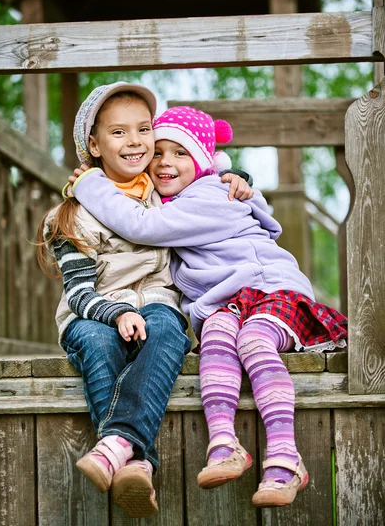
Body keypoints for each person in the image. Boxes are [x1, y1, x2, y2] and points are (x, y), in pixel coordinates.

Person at [68, 105, 348, 509]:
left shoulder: (209, 195)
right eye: (158, 152)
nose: (166, 162)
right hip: (230, 304)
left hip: (271, 292)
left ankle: (286, 458)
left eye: (181, 153)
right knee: (214, 336)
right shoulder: (177, 201)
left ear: (203, 162)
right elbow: (145, 209)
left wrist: (90, 184)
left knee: (252, 341)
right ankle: (224, 445)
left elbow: (142, 226)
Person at [37, 83, 253, 518]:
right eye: (118, 133)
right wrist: (116, 313)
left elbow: (202, 176)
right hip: (94, 310)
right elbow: (78, 293)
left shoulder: (161, 189)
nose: (135, 141)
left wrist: (238, 178)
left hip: (155, 299)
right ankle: (137, 461)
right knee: (99, 345)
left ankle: (115, 446)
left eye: (143, 129)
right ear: (94, 146)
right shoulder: (73, 213)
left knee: (170, 330)